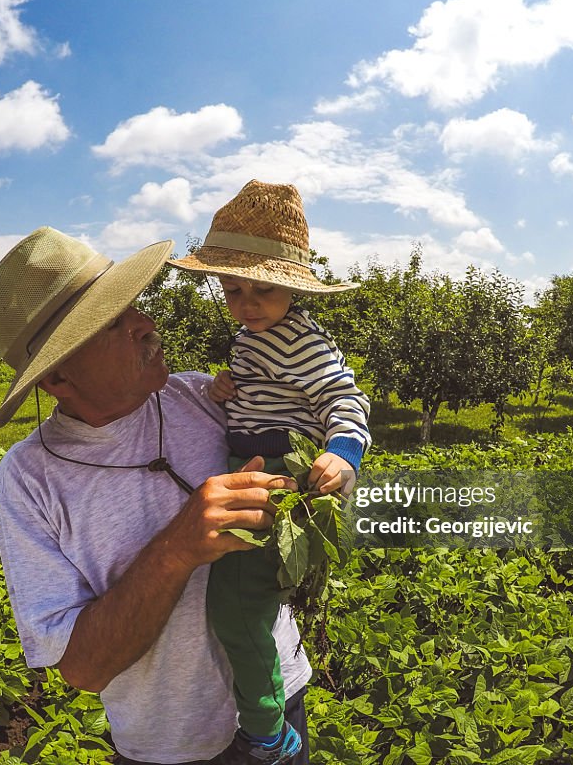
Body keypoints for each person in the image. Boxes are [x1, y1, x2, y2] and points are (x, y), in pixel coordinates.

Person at [0, 226, 312, 765]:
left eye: (133, 305)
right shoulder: (32, 478)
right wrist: (176, 549)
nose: (145, 325)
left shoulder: (205, 397)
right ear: (57, 377)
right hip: (169, 747)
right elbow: (82, 670)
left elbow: (318, 454)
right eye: (112, 323)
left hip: (280, 697)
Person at [168, 181, 370, 763]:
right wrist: (226, 387)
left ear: (290, 288)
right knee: (243, 599)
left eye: (261, 289)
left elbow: (344, 399)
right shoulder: (252, 337)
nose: (247, 302)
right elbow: (256, 390)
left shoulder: (301, 339)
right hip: (252, 464)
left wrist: (344, 452)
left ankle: (266, 729)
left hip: (280, 476)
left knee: (235, 606)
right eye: (233, 290)